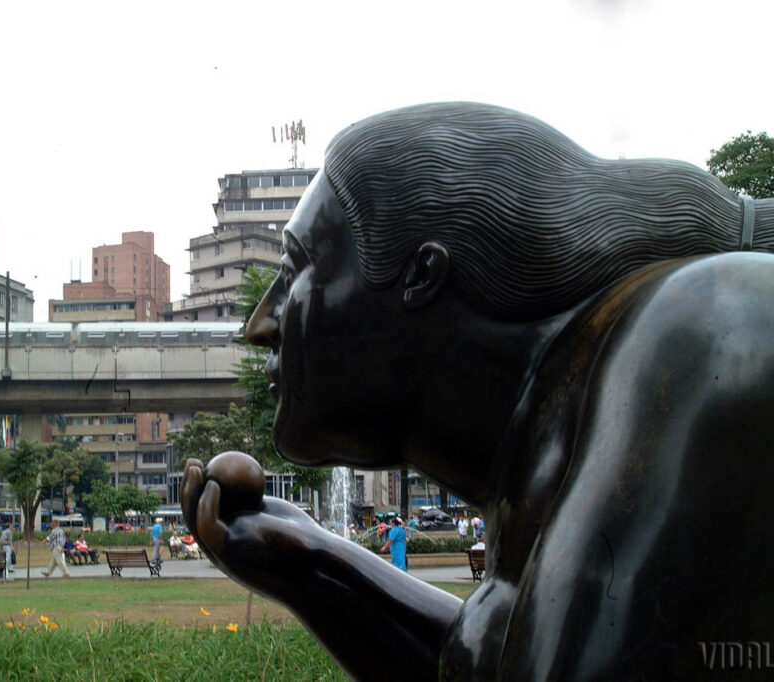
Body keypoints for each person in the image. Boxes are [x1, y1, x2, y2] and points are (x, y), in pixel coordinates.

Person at [181, 102, 774, 679]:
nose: (259, 325)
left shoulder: (701, 331)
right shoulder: (555, 431)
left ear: (422, 275)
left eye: (294, 267)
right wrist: (311, 564)